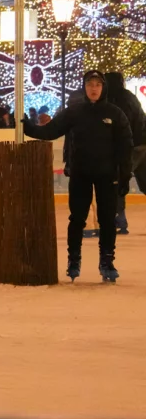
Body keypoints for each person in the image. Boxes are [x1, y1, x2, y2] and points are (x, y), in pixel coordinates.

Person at [23, 70, 132, 283]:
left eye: (97, 85)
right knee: (77, 219)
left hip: (107, 175)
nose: (93, 88)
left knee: (107, 220)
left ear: (103, 88)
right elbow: (51, 131)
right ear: (84, 87)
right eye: (90, 84)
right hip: (80, 172)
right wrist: (28, 127)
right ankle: (74, 260)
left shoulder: (115, 113)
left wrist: (125, 175)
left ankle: (107, 261)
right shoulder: (74, 112)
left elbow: (125, 146)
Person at [103, 72, 146, 235]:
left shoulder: (115, 100)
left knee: (118, 180)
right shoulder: (130, 97)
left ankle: (119, 219)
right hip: (143, 144)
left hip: (130, 147)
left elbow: (121, 126)